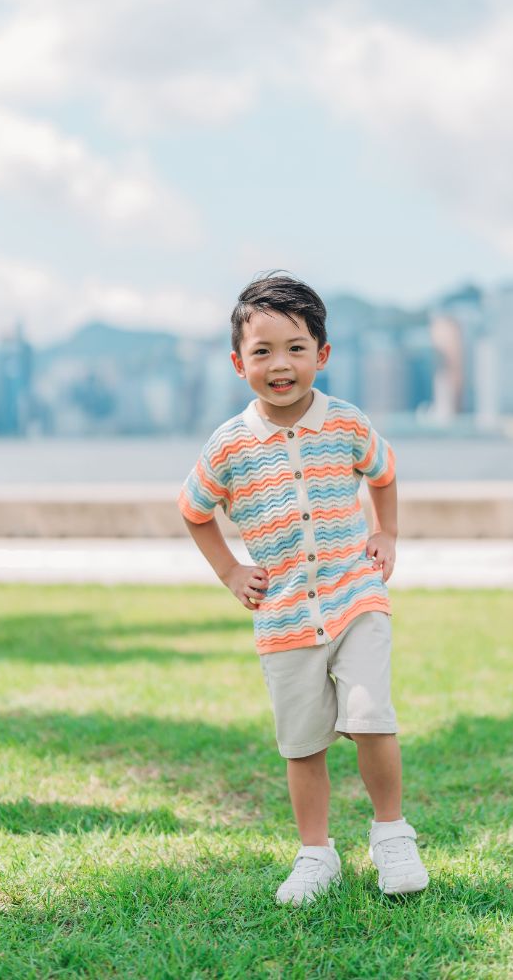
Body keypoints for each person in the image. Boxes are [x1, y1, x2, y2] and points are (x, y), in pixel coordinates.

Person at [177, 272, 429, 906]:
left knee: (371, 717)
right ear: (239, 363)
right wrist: (231, 571)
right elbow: (193, 509)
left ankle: (391, 833)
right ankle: (316, 852)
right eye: (262, 352)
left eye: (295, 347)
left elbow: (385, 471)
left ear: (322, 354)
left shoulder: (345, 423)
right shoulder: (230, 445)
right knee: (303, 742)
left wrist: (387, 532)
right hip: (285, 616)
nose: (280, 364)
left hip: (354, 599)